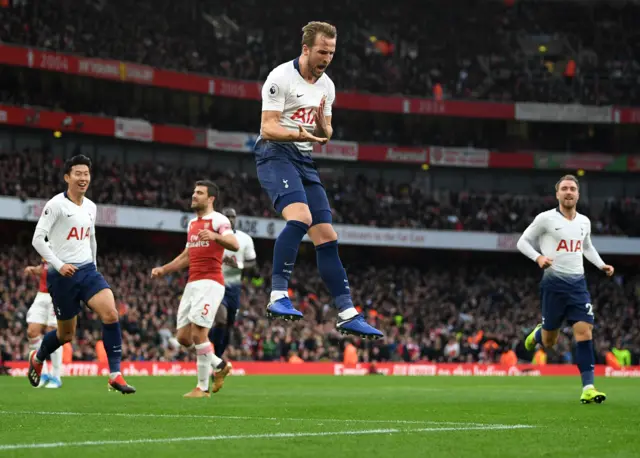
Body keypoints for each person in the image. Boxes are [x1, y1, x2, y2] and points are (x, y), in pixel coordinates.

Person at [253, 21, 382, 339]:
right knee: (301, 217)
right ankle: (278, 296)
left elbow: (326, 131)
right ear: (306, 48)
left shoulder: (328, 86)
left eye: (332, 52)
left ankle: (348, 313)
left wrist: (322, 129)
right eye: (322, 51)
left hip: (304, 159)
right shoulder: (280, 78)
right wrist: (298, 132)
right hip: (275, 153)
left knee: (327, 235)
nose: (327, 58)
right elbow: (267, 127)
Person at [28, 154, 135, 394]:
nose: (83, 178)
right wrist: (57, 264)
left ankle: (115, 374)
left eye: (86, 174)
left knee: (111, 313)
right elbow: (37, 239)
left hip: (87, 270)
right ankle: (39, 356)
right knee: (66, 334)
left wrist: (94, 268)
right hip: (61, 274)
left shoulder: (91, 207)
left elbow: (91, 238)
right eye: (78, 173)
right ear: (67, 177)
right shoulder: (56, 204)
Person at [517, 174, 614, 404]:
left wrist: (601, 265)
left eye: (572, 189)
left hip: (578, 285)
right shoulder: (545, 219)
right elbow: (522, 242)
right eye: (565, 189)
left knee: (584, 331)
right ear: (558, 194)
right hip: (553, 285)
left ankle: (588, 387)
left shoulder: (584, 222)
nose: (569, 192)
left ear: (578, 194)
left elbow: (587, 247)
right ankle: (538, 333)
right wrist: (538, 257)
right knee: (550, 341)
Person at [152, 181, 238, 398]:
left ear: (211, 199)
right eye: (194, 191)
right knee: (183, 337)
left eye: (199, 193)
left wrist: (216, 237)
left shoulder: (219, 220)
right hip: (193, 283)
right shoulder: (192, 224)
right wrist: (165, 269)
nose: (194, 195)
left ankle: (202, 388)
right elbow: (187, 256)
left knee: (199, 334)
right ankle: (219, 365)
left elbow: (233, 244)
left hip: (211, 282)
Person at [208, 208, 257, 358]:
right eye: (226, 216)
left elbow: (253, 263)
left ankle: (217, 355)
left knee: (228, 325)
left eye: (233, 216)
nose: (230, 219)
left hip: (234, 288)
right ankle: (208, 348)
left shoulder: (245, 239)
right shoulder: (212, 238)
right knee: (221, 321)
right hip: (216, 284)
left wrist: (238, 265)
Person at [24, 259, 63, 388]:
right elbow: (44, 268)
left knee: (54, 333)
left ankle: (56, 376)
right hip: (41, 295)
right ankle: (43, 372)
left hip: (57, 294)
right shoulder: (45, 243)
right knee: (32, 331)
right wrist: (34, 270)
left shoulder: (63, 246)